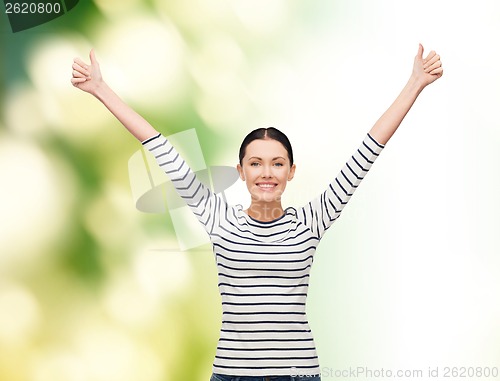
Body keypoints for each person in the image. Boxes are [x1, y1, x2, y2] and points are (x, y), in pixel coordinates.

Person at [71, 44, 443, 381]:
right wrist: (102, 90)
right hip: (231, 375)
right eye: (256, 163)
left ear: (291, 172)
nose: (267, 173)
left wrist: (415, 83)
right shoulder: (219, 218)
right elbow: (161, 149)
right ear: (241, 171)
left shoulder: (311, 221)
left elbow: (368, 149)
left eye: (277, 164)